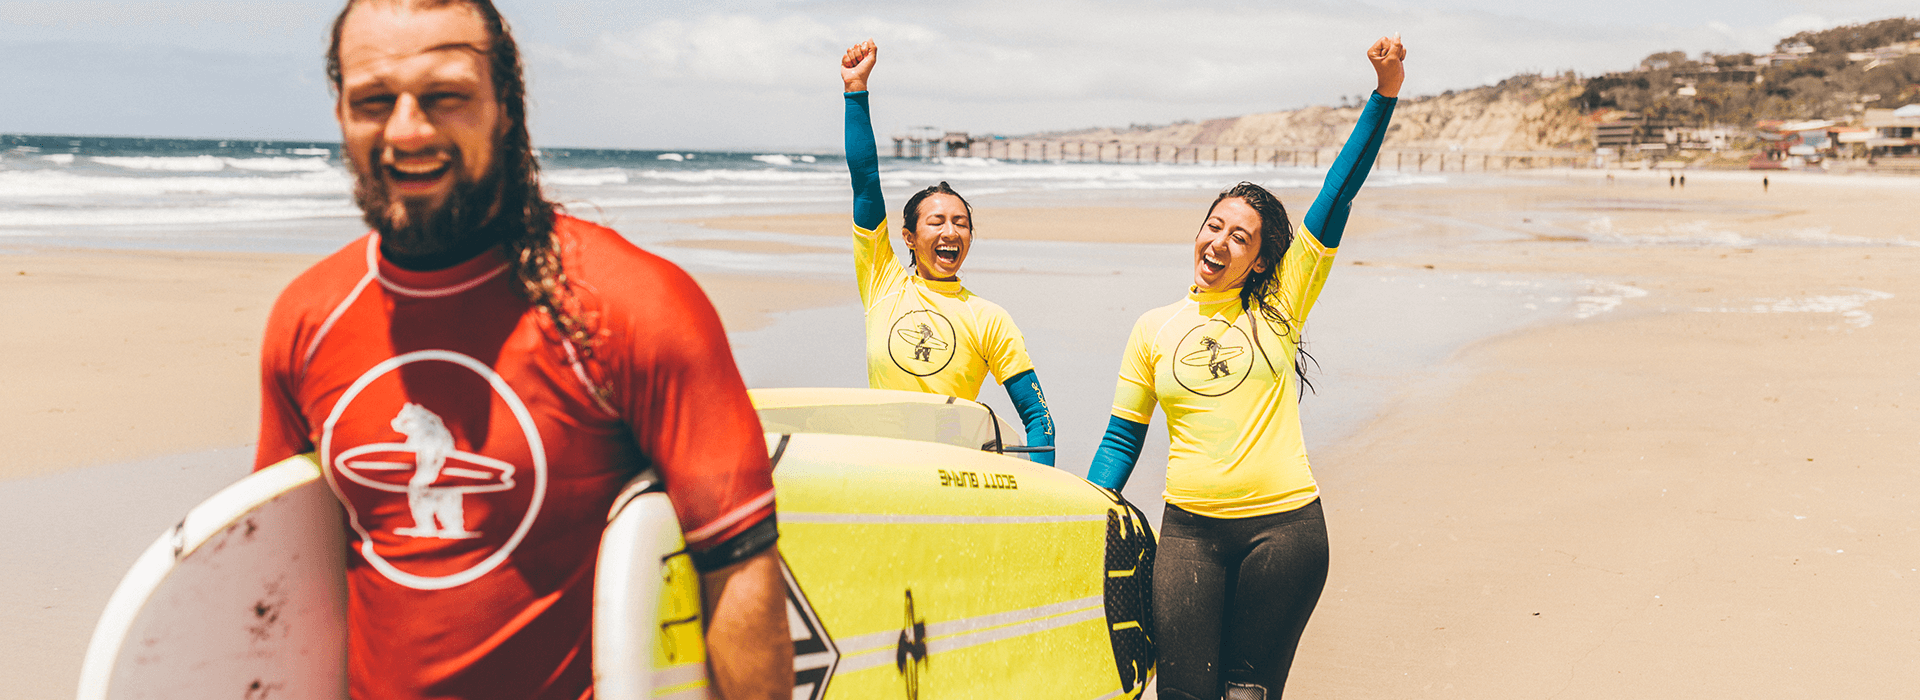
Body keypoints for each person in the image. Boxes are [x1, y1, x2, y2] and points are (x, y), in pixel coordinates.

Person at [254, 1, 791, 698]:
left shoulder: (631, 307)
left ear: (506, 105)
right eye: (373, 101)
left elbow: (738, 565)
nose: (407, 130)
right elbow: (271, 575)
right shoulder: (309, 319)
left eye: (446, 97)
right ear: (340, 114)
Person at [1085, 34, 1407, 700]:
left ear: (1260, 260)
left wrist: (1384, 95)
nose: (1220, 241)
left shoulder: (1282, 304)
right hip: (1189, 534)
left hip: (1285, 532)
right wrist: (1083, 511)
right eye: (1214, 226)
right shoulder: (1153, 329)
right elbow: (1122, 438)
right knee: (1180, 695)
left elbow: (1337, 192)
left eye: (1241, 236)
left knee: (1246, 696)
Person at [840, 40, 1058, 465]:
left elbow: (1039, 420)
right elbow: (865, 181)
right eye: (936, 222)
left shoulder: (989, 318)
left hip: (952, 480)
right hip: (881, 467)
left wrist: (1039, 491)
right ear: (907, 237)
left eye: (961, 223)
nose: (950, 231)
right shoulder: (883, 282)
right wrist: (855, 91)